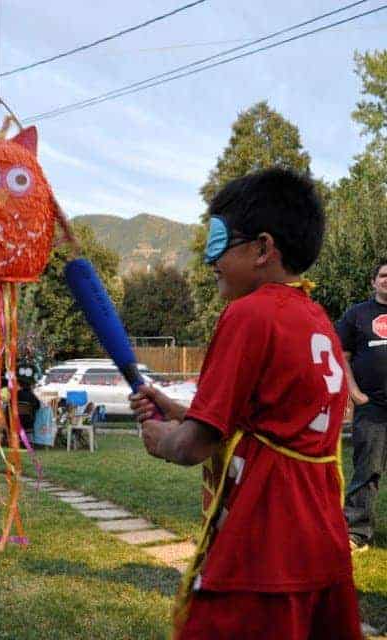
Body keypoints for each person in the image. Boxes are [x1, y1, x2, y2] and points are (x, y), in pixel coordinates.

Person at [130, 167, 362, 640]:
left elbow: (192, 447)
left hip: (263, 539)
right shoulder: (315, 316)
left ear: (262, 248)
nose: (210, 260)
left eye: (218, 242)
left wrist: (162, 439)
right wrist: (178, 410)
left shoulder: (249, 313)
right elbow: (270, 419)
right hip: (319, 535)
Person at [336, 259, 387, 551]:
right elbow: (341, 355)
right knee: (367, 469)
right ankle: (357, 532)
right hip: (372, 407)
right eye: (383, 275)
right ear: (373, 282)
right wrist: (354, 393)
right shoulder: (357, 314)